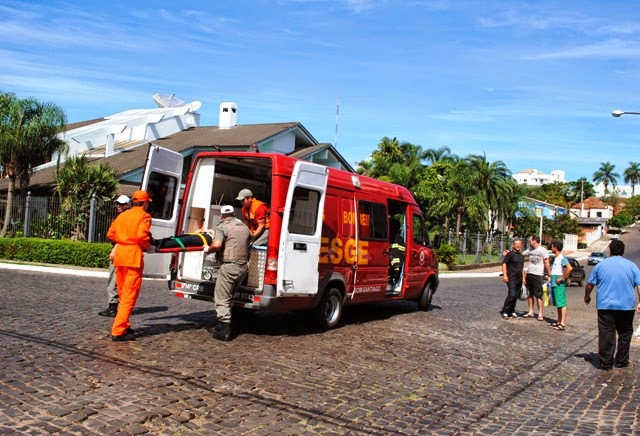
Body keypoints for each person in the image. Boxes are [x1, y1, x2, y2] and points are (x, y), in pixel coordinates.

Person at [584, 239, 640, 370]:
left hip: (605, 306)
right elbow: (639, 286)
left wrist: (587, 296)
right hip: (627, 307)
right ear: (623, 251)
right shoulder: (632, 266)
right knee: (625, 333)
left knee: (606, 333)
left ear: (610, 250)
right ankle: (622, 360)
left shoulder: (600, 265)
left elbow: (589, 284)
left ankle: (606, 362)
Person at [106, 190, 153, 341]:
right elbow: (142, 236)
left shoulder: (122, 215)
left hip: (120, 257)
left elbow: (110, 234)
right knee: (129, 295)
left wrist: (123, 240)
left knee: (122, 293)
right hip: (133, 257)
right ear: (144, 203)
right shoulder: (144, 216)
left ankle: (124, 325)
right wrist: (147, 247)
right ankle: (118, 331)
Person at [206, 204, 251, 341]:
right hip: (243, 267)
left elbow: (217, 245)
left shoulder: (222, 226)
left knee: (221, 298)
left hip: (229, 267)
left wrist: (207, 249)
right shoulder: (244, 227)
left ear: (222, 216)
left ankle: (225, 330)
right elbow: (250, 239)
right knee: (229, 297)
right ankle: (220, 325)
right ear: (233, 214)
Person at [98, 195, 131, 317]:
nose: (118, 206)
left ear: (127, 205)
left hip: (119, 250)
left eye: (121, 204)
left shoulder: (124, 218)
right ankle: (120, 306)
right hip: (125, 251)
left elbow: (123, 236)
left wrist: (115, 249)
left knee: (114, 279)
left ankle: (113, 307)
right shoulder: (126, 217)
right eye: (117, 203)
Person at [522, 235, 551, 321]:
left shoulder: (543, 250)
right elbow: (521, 255)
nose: (529, 241)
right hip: (529, 273)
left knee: (538, 295)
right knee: (529, 294)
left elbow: (547, 263)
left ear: (534, 241)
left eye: (530, 240)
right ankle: (531, 311)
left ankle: (540, 313)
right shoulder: (530, 249)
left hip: (538, 275)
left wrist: (549, 274)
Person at [549, 240, 572, 331]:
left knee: (561, 303)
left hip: (559, 284)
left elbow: (569, 268)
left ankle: (562, 323)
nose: (551, 248)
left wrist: (562, 278)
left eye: (552, 246)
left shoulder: (562, 258)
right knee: (558, 303)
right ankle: (559, 321)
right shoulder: (557, 258)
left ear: (555, 248)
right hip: (554, 283)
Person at [500, 239, 525, 319]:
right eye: (516, 244)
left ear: (521, 245)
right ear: (513, 245)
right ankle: (505, 311)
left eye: (519, 244)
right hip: (511, 278)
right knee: (512, 294)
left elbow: (522, 268)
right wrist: (505, 275)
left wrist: (524, 278)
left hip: (519, 279)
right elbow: (504, 264)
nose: (518, 246)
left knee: (516, 296)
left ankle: (512, 311)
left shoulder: (521, 256)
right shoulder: (510, 254)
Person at [388, 218, 406, 285]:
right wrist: (397, 265)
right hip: (395, 265)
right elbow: (402, 253)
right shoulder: (399, 238)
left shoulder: (388, 236)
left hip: (391, 263)